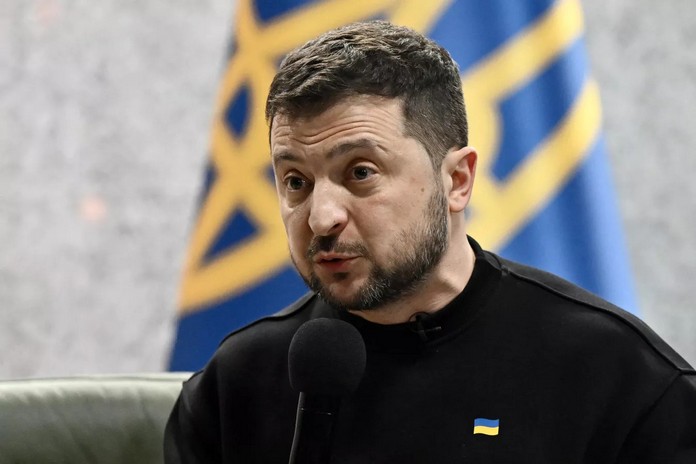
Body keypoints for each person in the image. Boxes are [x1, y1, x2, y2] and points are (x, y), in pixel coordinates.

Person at [164, 20, 696, 463]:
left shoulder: (618, 379)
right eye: (296, 182)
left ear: (457, 180)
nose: (321, 218)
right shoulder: (237, 384)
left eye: (361, 172)